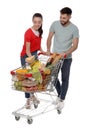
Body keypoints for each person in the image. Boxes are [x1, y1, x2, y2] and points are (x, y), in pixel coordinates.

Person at [46, 7, 79, 110]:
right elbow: (49, 38)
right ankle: (60, 95)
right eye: (61, 17)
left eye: (64, 18)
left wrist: (66, 53)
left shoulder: (74, 28)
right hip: (55, 56)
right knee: (52, 77)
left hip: (66, 58)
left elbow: (75, 45)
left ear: (69, 17)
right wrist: (48, 49)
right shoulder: (55, 24)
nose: (62, 19)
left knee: (65, 79)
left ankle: (61, 99)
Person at [20, 13, 45, 109]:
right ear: (32, 21)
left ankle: (33, 95)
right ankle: (27, 100)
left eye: (39, 22)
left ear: (42, 22)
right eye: (35, 22)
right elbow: (27, 51)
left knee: (35, 77)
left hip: (34, 54)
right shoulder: (28, 33)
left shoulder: (39, 31)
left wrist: (43, 51)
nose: (37, 24)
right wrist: (34, 62)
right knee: (27, 79)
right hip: (26, 56)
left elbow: (38, 45)